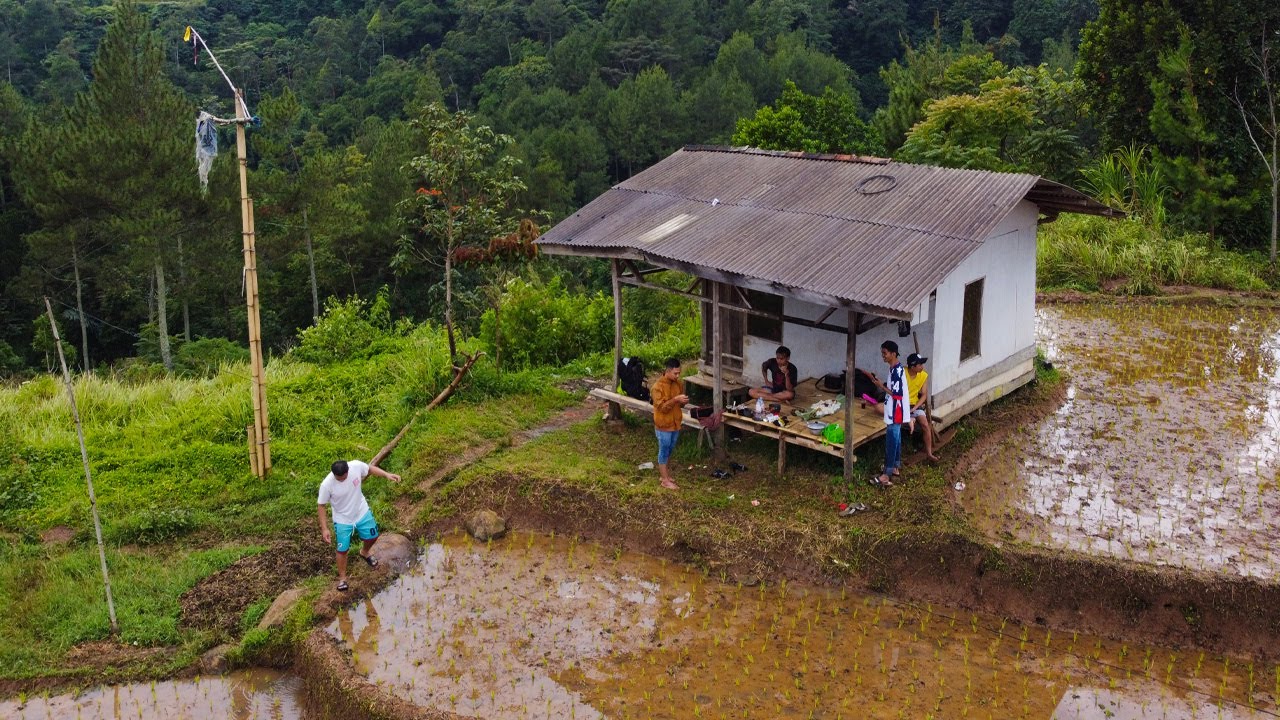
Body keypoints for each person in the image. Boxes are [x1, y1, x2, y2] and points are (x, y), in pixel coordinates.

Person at [317, 459, 401, 591]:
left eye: (344, 477)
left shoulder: (355, 466)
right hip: (342, 518)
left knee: (373, 536)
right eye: (339, 478)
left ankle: (365, 552)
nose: (342, 480)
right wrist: (325, 528)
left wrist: (386, 474)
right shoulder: (327, 485)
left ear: (348, 470)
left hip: (361, 510)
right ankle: (343, 579)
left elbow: (370, 469)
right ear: (334, 475)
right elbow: (321, 505)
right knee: (342, 549)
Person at [859, 341, 914, 487]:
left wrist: (880, 386)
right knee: (896, 438)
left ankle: (886, 474)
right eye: (882, 353)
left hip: (896, 410)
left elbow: (897, 394)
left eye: (885, 353)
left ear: (893, 353)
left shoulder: (896, 371)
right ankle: (895, 466)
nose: (883, 356)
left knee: (892, 439)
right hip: (896, 409)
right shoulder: (895, 368)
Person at [651, 357, 689, 490]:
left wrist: (682, 401)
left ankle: (664, 475)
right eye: (675, 373)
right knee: (664, 450)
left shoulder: (678, 384)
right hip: (663, 425)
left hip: (676, 423)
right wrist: (675, 400)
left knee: (670, 449)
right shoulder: (657, 387)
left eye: (679, 373)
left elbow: (679, 404)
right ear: (667, 371)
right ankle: (665, 481)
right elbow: (662, 408)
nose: (678, 376)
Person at [905, 353, 939, 462]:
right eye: (920, 365)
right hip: (901, 404)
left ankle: (929, 453)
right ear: (912, 367)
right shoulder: (902, 373)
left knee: (925, 424)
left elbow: (924, 395)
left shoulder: (923, 375)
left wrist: (915, 408)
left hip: (914, 405)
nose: (922, 367)